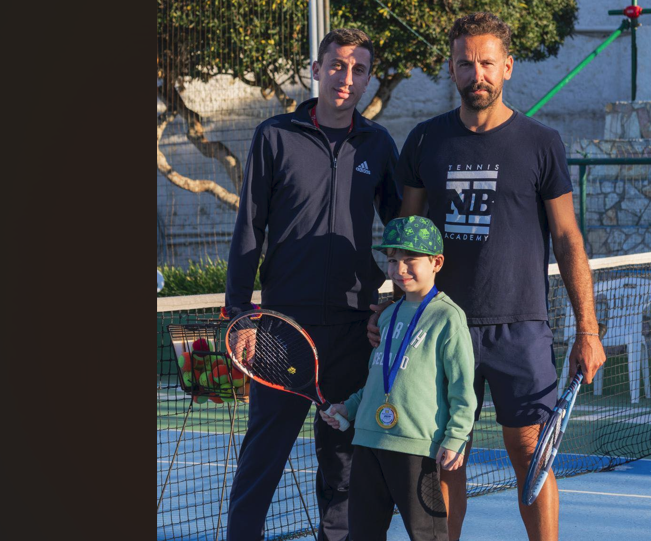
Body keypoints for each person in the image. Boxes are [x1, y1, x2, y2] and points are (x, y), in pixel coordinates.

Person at [366, 12, 607, 541]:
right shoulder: (425, 141)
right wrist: (393, 304)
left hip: (521, 328)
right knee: (446, 453)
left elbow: (568, 238)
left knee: (530, 452)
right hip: (441, 326)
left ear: (508, 67)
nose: (477, 74)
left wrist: (587, 330)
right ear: (451, 68)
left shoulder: (541, 142)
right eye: (465, 63)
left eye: (487, 63)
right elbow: (407, 236)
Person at [223, 28, 402, 541]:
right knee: (260, 463)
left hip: (352, 331)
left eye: (359, 69)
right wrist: (240, 314)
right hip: (282, 329)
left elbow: (401, 236)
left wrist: (392, 307)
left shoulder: (378, 145)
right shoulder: (274, 136)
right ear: (318, 69)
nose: (347, 77)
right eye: (338, 65)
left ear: (368, 79)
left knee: (344, 468)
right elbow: (249, 229)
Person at [320, 215, 476, 541]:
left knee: (427, 535)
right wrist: (349, 408)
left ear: (436, 263)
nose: (399, 269)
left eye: (410, 260)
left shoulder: (448, 317)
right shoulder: (387, 314)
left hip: (415, 447)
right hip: (368, 442)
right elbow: (376, 378)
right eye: (392, 260)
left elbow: (463, 388)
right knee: (363, 533)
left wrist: (456, 436)